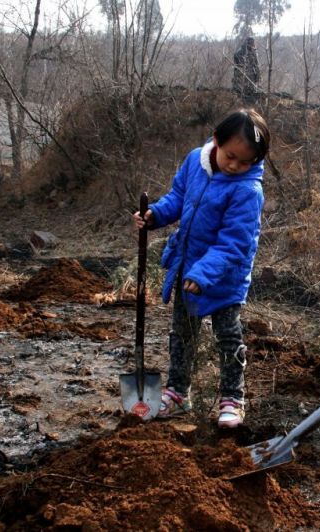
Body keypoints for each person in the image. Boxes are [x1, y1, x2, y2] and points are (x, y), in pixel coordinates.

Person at [133, 110, 270, 428]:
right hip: (187, 266)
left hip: (224, 277)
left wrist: (204, 274)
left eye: (245, 161)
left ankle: (232, 399)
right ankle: (178, 393)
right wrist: (154, 215)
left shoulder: (248, 191)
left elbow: (234, 243)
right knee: (182, 333)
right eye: (231, 156)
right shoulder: (196, 161)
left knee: (227, 336)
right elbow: (178, 197)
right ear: (216, 140)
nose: (235, 166)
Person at [232, 37, 260, 104]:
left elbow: (257, 66)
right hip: (244, 79)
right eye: (252, 43)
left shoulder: (252, 52)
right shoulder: (241, 53)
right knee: (244, 96)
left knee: (248, 95)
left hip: (249, 79)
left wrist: (257, 77)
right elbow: (238, 67)